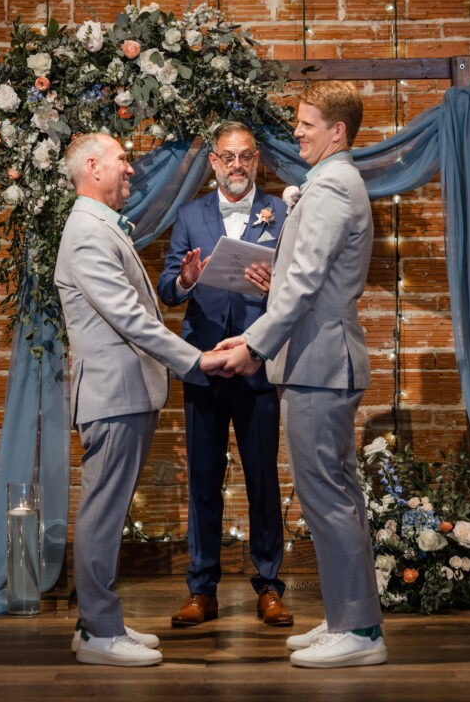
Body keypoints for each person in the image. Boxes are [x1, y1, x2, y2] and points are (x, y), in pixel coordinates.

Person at [216, 83, 387, 669]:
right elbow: (306, 276)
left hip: (321, 360)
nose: (297, 132)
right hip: (316, 356)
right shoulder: (330, 183)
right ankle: (345, 616)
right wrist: (275, 287)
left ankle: (361, 631)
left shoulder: (334, 187)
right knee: (330, 496)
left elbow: (310, 282)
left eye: (306, 124)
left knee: (329, 497)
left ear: (337, 131)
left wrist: (253, 347)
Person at [54, 132, 229, 668]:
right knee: (104, 513)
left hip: (126, 391)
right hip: (114, 393)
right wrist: (195, 360)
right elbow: (129, 319)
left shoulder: (101, 226)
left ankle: (98, 623)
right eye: (122, 160)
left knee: (109, 510)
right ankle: (100, 633)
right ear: (92, 167)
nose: (131, 169)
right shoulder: (86, 231)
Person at [157, 121, 293, 628]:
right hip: (204, 366)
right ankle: (202, 589)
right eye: (227, 157)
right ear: (213, 162)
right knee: (203, 481)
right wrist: (186, 279)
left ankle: (270, 586)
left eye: (245, 157)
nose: (236, 166)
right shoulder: (191, 214)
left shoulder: (280, 211)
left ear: (256, 160)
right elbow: (168, 289)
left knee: (262, 478)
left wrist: (272, 283)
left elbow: (298, 284)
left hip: (258, 365)